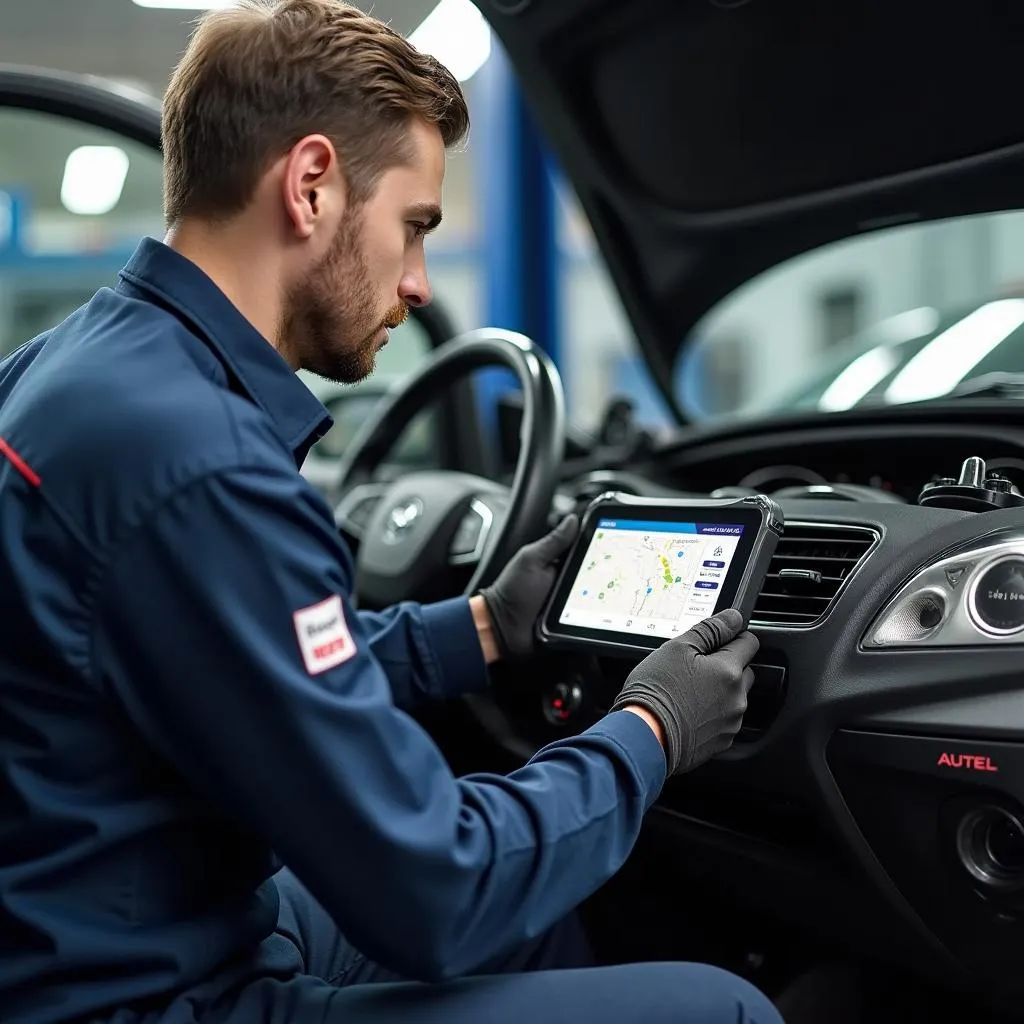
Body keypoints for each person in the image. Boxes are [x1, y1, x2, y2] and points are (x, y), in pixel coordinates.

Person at [0, 2, 783, 1022]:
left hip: (113, 918)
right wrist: (652, 727)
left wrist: (486, 625)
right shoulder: (207, 466)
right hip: (152, 994)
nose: (417, 282)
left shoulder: (75, 371)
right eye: (414, 227)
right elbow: (437, 891)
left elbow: (238, 660)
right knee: (724, 1009)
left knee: (536, 920)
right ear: (312, 183)